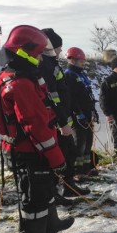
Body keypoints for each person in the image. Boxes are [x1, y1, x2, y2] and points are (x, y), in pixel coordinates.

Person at [0, 25, 74, 233]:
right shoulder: (21, 84)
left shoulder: (13, 77)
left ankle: (48, 227)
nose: (38, 59)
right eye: (36, 54)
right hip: (28, 151)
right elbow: (35, 125)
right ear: (23, 52)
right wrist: (56, 158)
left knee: (41, 192)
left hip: (24, 148)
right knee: (33, 199)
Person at [40, 28, 90, 197]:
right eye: (59, 48)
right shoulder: (45, 66)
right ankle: (57, 191)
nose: (61, 51)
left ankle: (69, 187)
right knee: (60, 155)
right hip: (56, 120)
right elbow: (52, 96)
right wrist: (62, 121)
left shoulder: (52, 64)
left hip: (63, 117)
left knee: (68, 153)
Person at [64, 46, 100, 183]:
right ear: (72, 60)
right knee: (79, 143)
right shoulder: (69, 75)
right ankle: (76, 172)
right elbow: (71, 98)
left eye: (83, 61)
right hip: (77, 116)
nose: (82, 63)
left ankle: (86, 169)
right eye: (80, 61)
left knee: (88, 142)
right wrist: (78, 113)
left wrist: (93, 111)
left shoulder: (81, 75)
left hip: (87, 114)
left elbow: (88, 96)